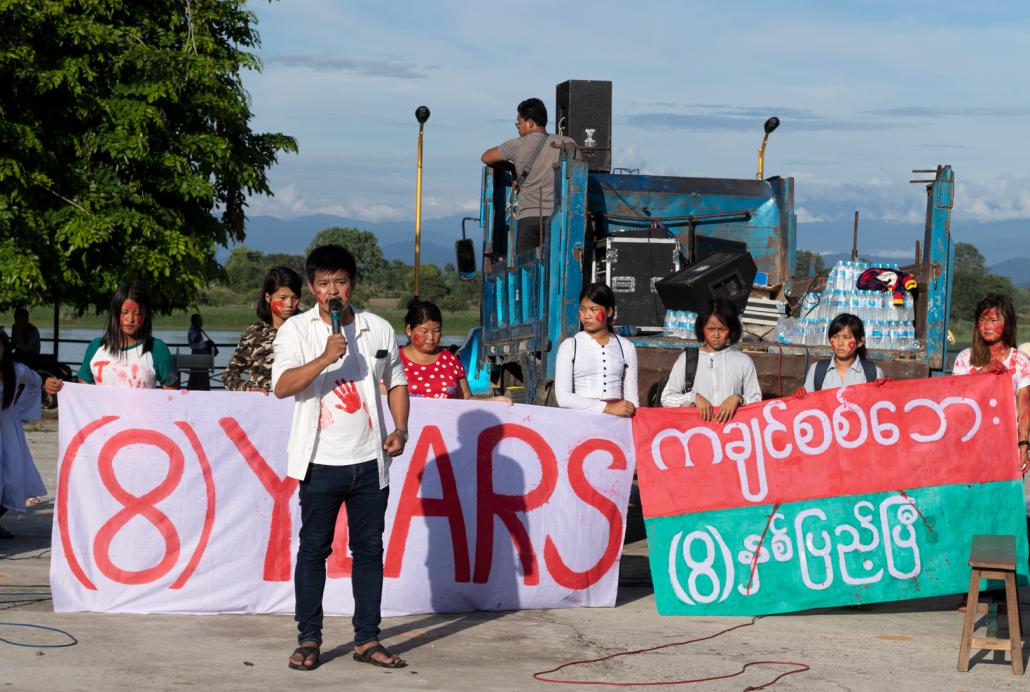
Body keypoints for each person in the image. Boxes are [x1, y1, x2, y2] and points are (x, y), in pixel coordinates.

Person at [272, 245, 409, 672]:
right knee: (313, 549)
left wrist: (399, 429)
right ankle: (309, 639)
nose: (334, 291)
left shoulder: (377, 328)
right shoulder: (296, 330)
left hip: (370, 462)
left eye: (341, 282)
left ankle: (367, 638)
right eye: (325, 283)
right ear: (313, 288)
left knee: (369, 550)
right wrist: (325, 359)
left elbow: (397, 382)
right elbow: (282, 386)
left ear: (353, 285)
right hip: (318, 461)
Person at [44, 282, 177, 395]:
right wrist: (56, 387)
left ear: (146, 315)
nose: (130, 319)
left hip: (142, 425)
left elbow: (172, 399)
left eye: (137, 313)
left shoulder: (157, 349)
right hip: (103, 425)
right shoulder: (96, 347)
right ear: (115, 312)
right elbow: (83, 394)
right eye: (125, 312)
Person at [481, 97, 574, 254]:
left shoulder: (517, 145)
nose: (518, 128)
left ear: (530, 123)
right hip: (559, 218)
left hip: (529, 219)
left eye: (519, 123)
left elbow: (486, 157)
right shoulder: (568, 143)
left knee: (526, 269)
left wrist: (510, 166)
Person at [952, 294, 1030, 473]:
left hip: (1007, 446)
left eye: (994, 320)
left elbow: (1024, 408)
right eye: (982, 319)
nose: (986, 326)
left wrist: (1024, 443)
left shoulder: (1021, 361)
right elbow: (955, 401)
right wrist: (983, 373)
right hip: (969, 445)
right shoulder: (965, 358)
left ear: (1007, 323)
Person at [660, 298, 761, 422]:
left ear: (731, 330)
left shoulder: (743, 362)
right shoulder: (687, 359)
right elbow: (666, 398)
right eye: (711, 329)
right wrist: (693, 398)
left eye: (722, 329)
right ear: (702, 328)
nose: (716, 335)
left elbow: (756, 401)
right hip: (697, 435)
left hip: (733, 435)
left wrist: (738, 399)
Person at [401, 298, 511, 403]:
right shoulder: (394, 361)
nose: (431, 337)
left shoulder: (450, 361)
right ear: (409, 330)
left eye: (436, 331)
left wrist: (493, 402)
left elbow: (466, 399)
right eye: (424, 331)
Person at [554, 283, 639, 416]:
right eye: (583, 309)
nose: (587, 316)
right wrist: (608, 408)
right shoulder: (569, 346)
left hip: (616, 424)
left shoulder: (626, 347)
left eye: (593, 310)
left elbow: (632, 400)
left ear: (609, 311)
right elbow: (563, 398)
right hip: (580, 422)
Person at [223, 267, 302, 393]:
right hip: (262, 408)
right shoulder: (254, 333)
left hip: (300, 407)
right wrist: (249, 389)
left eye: (295, 297)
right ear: (268, 297)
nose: (290, 304)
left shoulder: (306, 330)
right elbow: (229, 376)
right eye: (283, 298)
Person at [0, 330, 47, 539]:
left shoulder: (16, 370)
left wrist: (20, 410)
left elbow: (36, 382)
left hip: (8, 428)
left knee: (13, 478)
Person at [800, 314, 884, 392]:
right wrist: (799, 397)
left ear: (860, 342)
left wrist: (888, 390)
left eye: (846, 337)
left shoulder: (874, 373)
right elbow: (808, 404)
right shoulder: (816, 370)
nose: (840, 343)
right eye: (835, 337)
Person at [186, 313, 216, 391]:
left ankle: (202, 388)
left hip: (202, 355)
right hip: (198, 355)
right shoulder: (192, 331)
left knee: (202, 375)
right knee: (198, 374)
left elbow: (198, 343)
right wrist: (199, 329)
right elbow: (197, 340)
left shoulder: (195, 330)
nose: (201, 321)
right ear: (195, 321)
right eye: (199, 320)